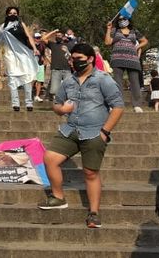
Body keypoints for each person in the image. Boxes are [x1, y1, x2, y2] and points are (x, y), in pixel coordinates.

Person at [38, 44, 125, 229]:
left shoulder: (103, 80)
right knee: (50, 158)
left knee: (90, 173)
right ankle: (58, 197)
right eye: (73, 58)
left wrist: (105, 132)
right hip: (70, 130)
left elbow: (118, 106)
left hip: (95, 131)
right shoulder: (68, 81)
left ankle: (94, 213)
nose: (75, 62)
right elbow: (56, 104)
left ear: (90, 59)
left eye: (79, 58)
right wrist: (62, 109)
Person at [0, 6, 39, 112]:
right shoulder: (3, 26)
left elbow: (29, 36)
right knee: (12, 79)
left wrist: (34, 48)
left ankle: (29, 103)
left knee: (27, 79)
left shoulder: (21, 24)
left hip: (23, 54)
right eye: (10, 13)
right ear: (7, 14)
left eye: (15, 13)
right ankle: (15, 103)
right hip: (10, 56)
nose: (13, 15)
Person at [104, 16, 148, 113]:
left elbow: (145, 41)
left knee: (135, 82)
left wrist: (137, 46)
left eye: (124, 19)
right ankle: (117, 104)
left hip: (133, 60)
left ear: (128, 20)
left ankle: (137, 105)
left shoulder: (134, 31)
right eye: (119, 19)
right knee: (117, 83)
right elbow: (107, 42)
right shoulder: (115, 30)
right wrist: (108, 29)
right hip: (117, 59)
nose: (122, 21)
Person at [41, 29, 72, 101]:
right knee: (54, 90)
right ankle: (57, 103)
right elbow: (43, 38)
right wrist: (54, 31)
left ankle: (66, 104)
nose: (58, 37)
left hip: (67, 69)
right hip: (56, 69)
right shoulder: (53, 44)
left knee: (68, 88)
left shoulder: (68, 45)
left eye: (60, 35)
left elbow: (71, 56)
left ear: (63, 37)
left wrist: (67, 52)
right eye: (57, 36)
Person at [33, 32, 47, 102]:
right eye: (37, 38)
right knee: (33, 80)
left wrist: (44, 59)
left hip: (40, 64)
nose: (38, 39)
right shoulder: (30, 45)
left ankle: (37, 96)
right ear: (34, 38)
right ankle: (30, 95)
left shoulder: (42, 46)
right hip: (32, 65)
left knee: (39, 80)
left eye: (39, 38)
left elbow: (43, 54)